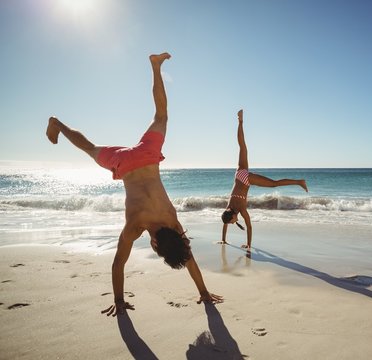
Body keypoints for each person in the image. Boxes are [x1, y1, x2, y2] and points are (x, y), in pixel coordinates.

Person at [46, 53, 222, 316]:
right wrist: (119, 301)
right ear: (154, 245)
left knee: (161, 116)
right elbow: (118, 264)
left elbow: (186, 254)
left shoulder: (173, 222)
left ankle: (155, 66)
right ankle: (58, 124)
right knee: (90, 148)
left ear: (177, 237)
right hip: (124, 164)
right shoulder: (135, 225)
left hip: (146, 156)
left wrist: (204, 292)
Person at [220, 110, 308, 250]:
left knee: (274, 184)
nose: (231, 224)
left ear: (232, 217)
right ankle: (240, 121)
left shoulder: (241, 210)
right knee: (242, 147)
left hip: (246, 179)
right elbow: (225, 223)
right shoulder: (228, 208)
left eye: (232, 222)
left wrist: (249, 244)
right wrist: (223, 240)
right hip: (238, 175)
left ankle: (299, 182)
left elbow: (249, 226)